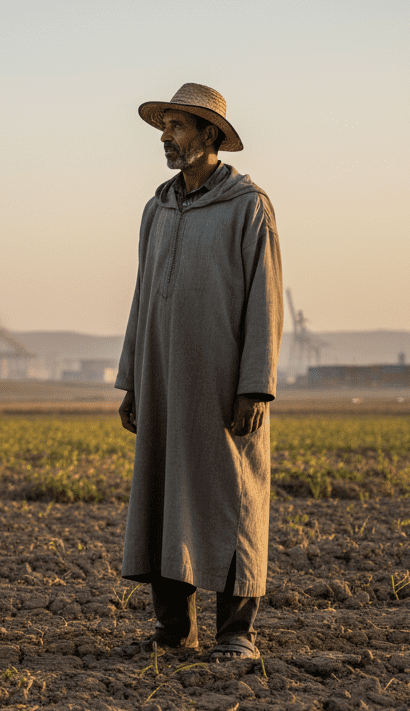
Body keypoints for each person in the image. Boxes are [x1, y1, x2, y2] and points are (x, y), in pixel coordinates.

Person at [114, 83, 283, 661]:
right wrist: (133, 379)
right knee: (167, 495)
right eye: (164, 126)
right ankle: (173, 631)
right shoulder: (155, 208)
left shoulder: (247, 206)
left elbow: (266, 298)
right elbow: (142, 299)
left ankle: (236, 634)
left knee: (232, 497)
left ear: (209, 136)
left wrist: (255, 383)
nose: (166, 137)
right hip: (162, 381)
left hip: (223, 385)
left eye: (177, 126)